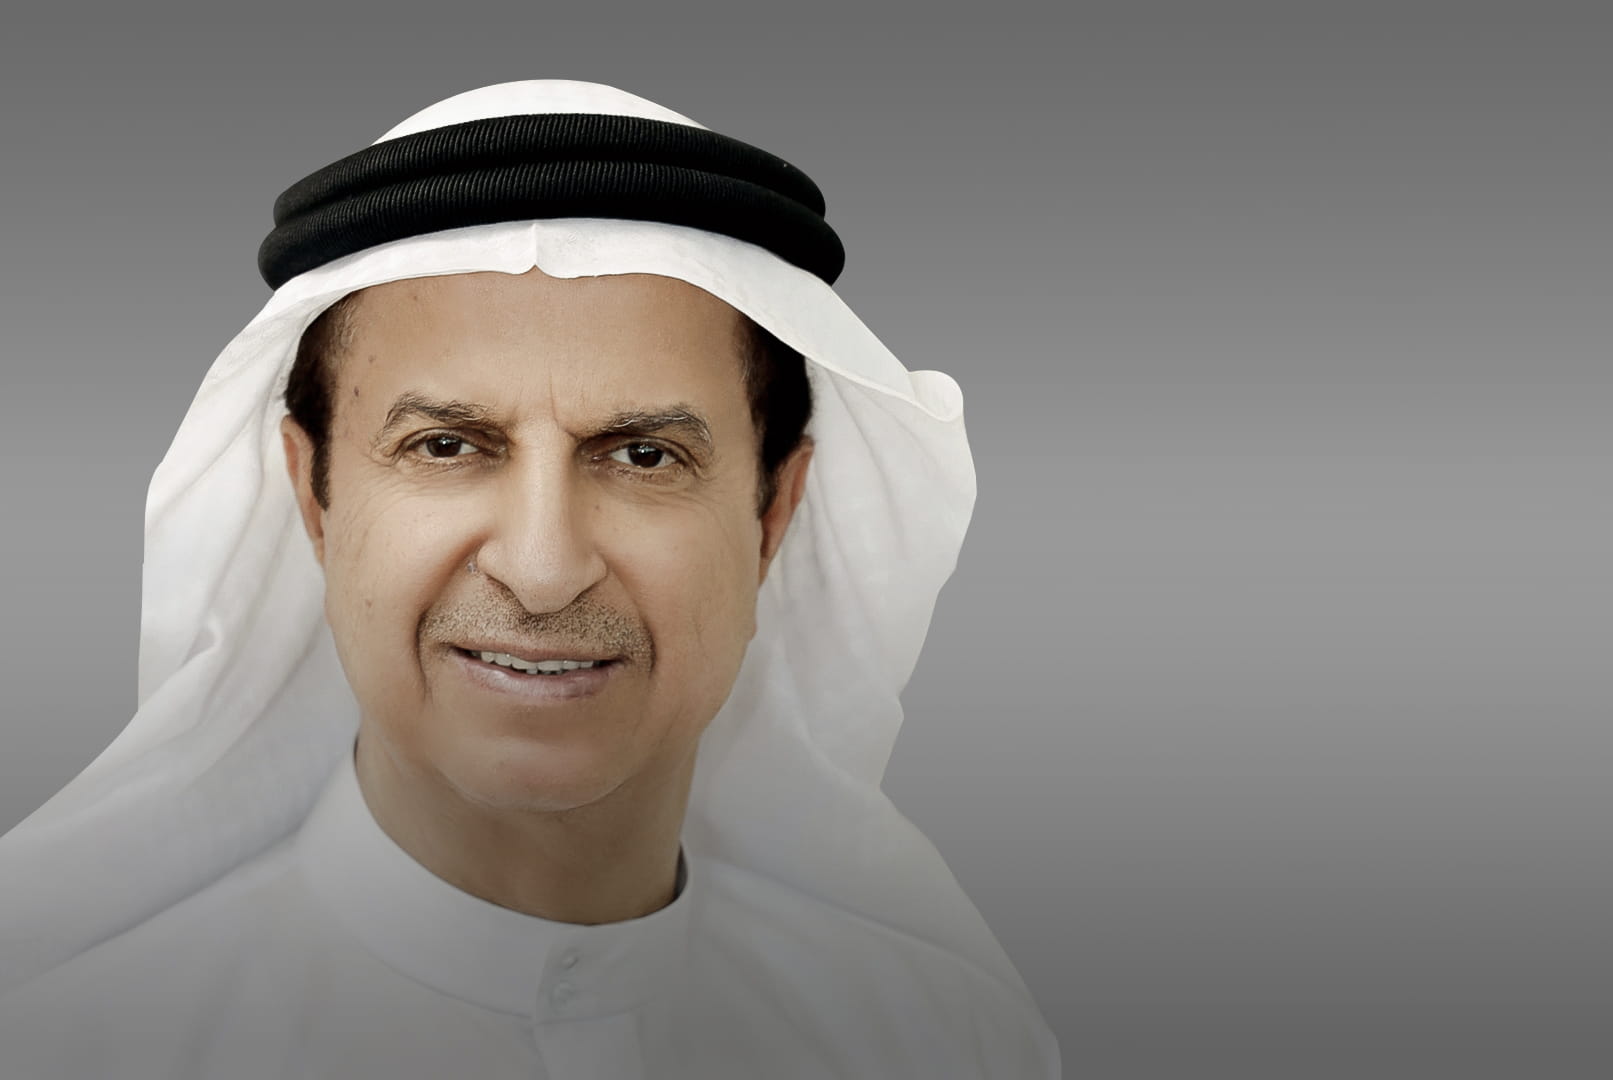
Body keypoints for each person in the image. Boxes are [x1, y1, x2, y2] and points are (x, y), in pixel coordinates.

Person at [0, 79, 1059, 1078]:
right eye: (446, 447)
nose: (545, 570)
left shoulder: (946, 1047)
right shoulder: (73, 1049)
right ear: (314, 500)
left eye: (643, 455)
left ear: (772, 516)